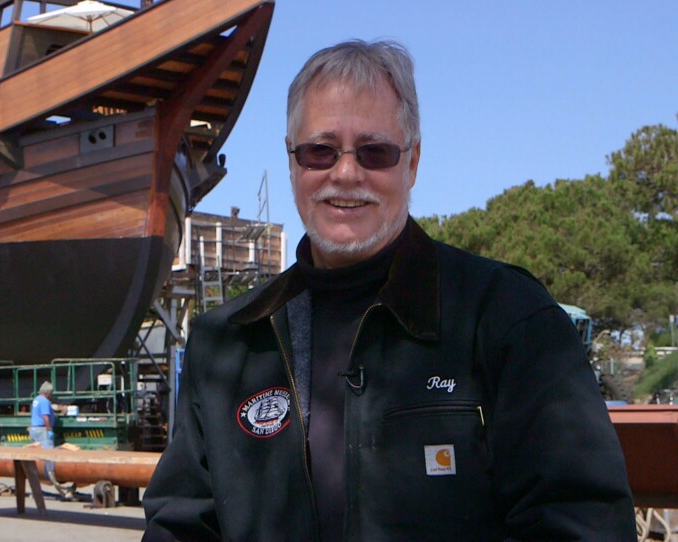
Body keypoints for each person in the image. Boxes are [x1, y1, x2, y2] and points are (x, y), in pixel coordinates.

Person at [142, 40, 636, 541]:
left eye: (375, 151)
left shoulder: (508, 317)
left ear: (413, 162)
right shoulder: (226, 341)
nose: (346, 173)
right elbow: (179, 527)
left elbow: (585, 523)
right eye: (321, 150)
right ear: (293, 164)